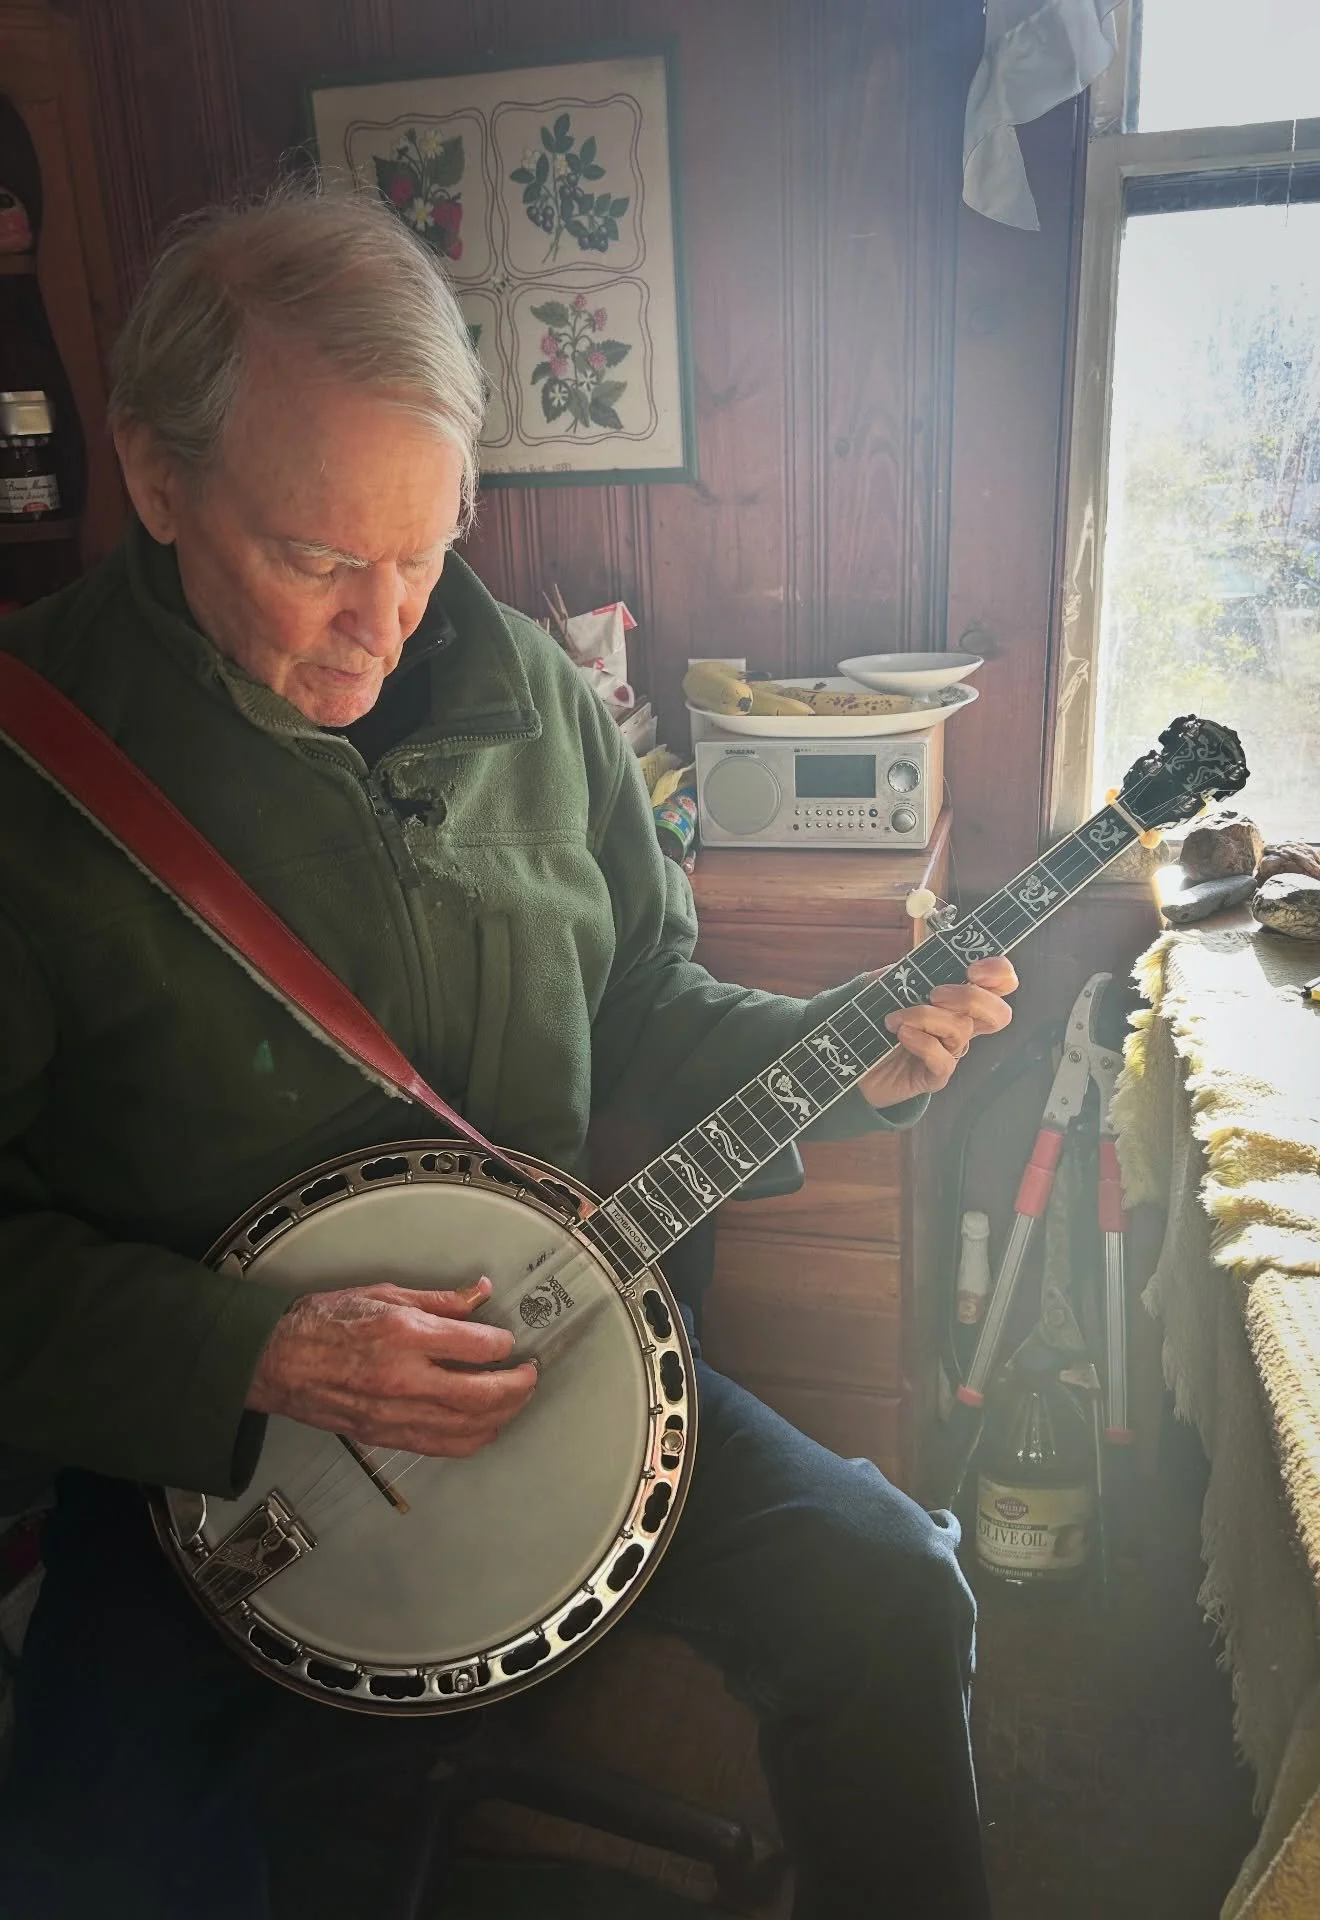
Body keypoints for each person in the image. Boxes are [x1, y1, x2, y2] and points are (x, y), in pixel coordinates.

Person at [0, 186, 1017, 1919]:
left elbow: (647, 1006)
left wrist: (868, 1056)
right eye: (320, 556)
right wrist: (256, 1352)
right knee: (86, 1869)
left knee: (893, 1586)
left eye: (428, 544)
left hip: (563, 1365)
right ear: (157, 478)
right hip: (205, 1462)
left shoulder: (536, 694)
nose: (385, 620)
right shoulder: (32, 763)